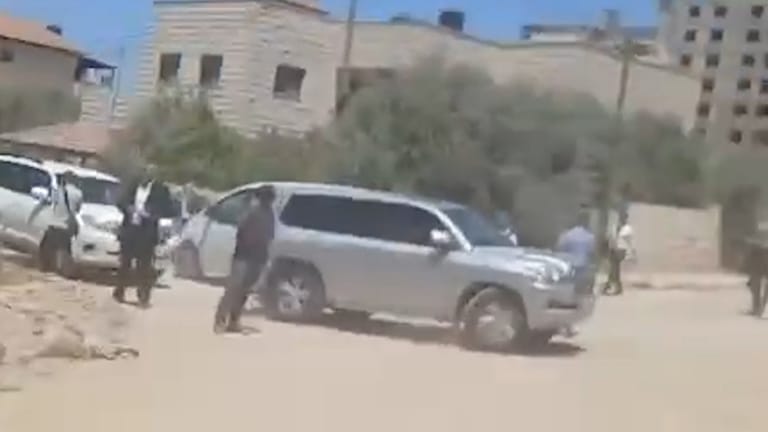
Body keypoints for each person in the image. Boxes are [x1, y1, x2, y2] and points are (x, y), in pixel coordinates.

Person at [214, 185, 276, 334]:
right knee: (233, 289)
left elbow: (269, 236)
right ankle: (220, 320)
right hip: (244, 256)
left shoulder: (269, 214)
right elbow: (241, 232)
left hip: (257, 257)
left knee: (243, 291)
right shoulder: (252, 213)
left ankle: (233, 321)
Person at [113, 164, 173, 307]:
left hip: (147, 232)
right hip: (130, 229)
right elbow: (120, 201)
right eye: (144, 173)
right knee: (125, 263)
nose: (146, 176)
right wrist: (128, 208)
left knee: (144, 267)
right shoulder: (133, 186)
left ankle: (143, 297)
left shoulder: (161, 190)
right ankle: (119, 291)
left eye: (150, 174)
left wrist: (151, 213)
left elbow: (168, 209)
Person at [45, 171, 83, 270]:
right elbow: (78, 209)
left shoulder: (58, 191)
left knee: (49, 249)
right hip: (66, 226)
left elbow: (52, 202)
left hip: (54, 223)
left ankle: (49, 267)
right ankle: (61, 268)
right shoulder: (78, 193)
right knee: (64, 249)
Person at [603, 213, 634, 296]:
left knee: (614, 268)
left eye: (623, 218)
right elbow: (611, 237)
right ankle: (612, 286)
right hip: (614, 249)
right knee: (613, 268)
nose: (621, 220)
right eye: (621, 218)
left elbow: (629, 241)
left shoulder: (628, 229)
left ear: (626, 219)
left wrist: (631, 252)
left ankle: (611, 286)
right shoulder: (616, 227)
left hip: (621, 249)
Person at [744, 235, 768, 317]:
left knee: (758, 288)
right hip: (757, 268)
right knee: (755, 287)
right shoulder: (756, 248)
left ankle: (760, 309)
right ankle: (758, 309)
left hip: (760, 267)